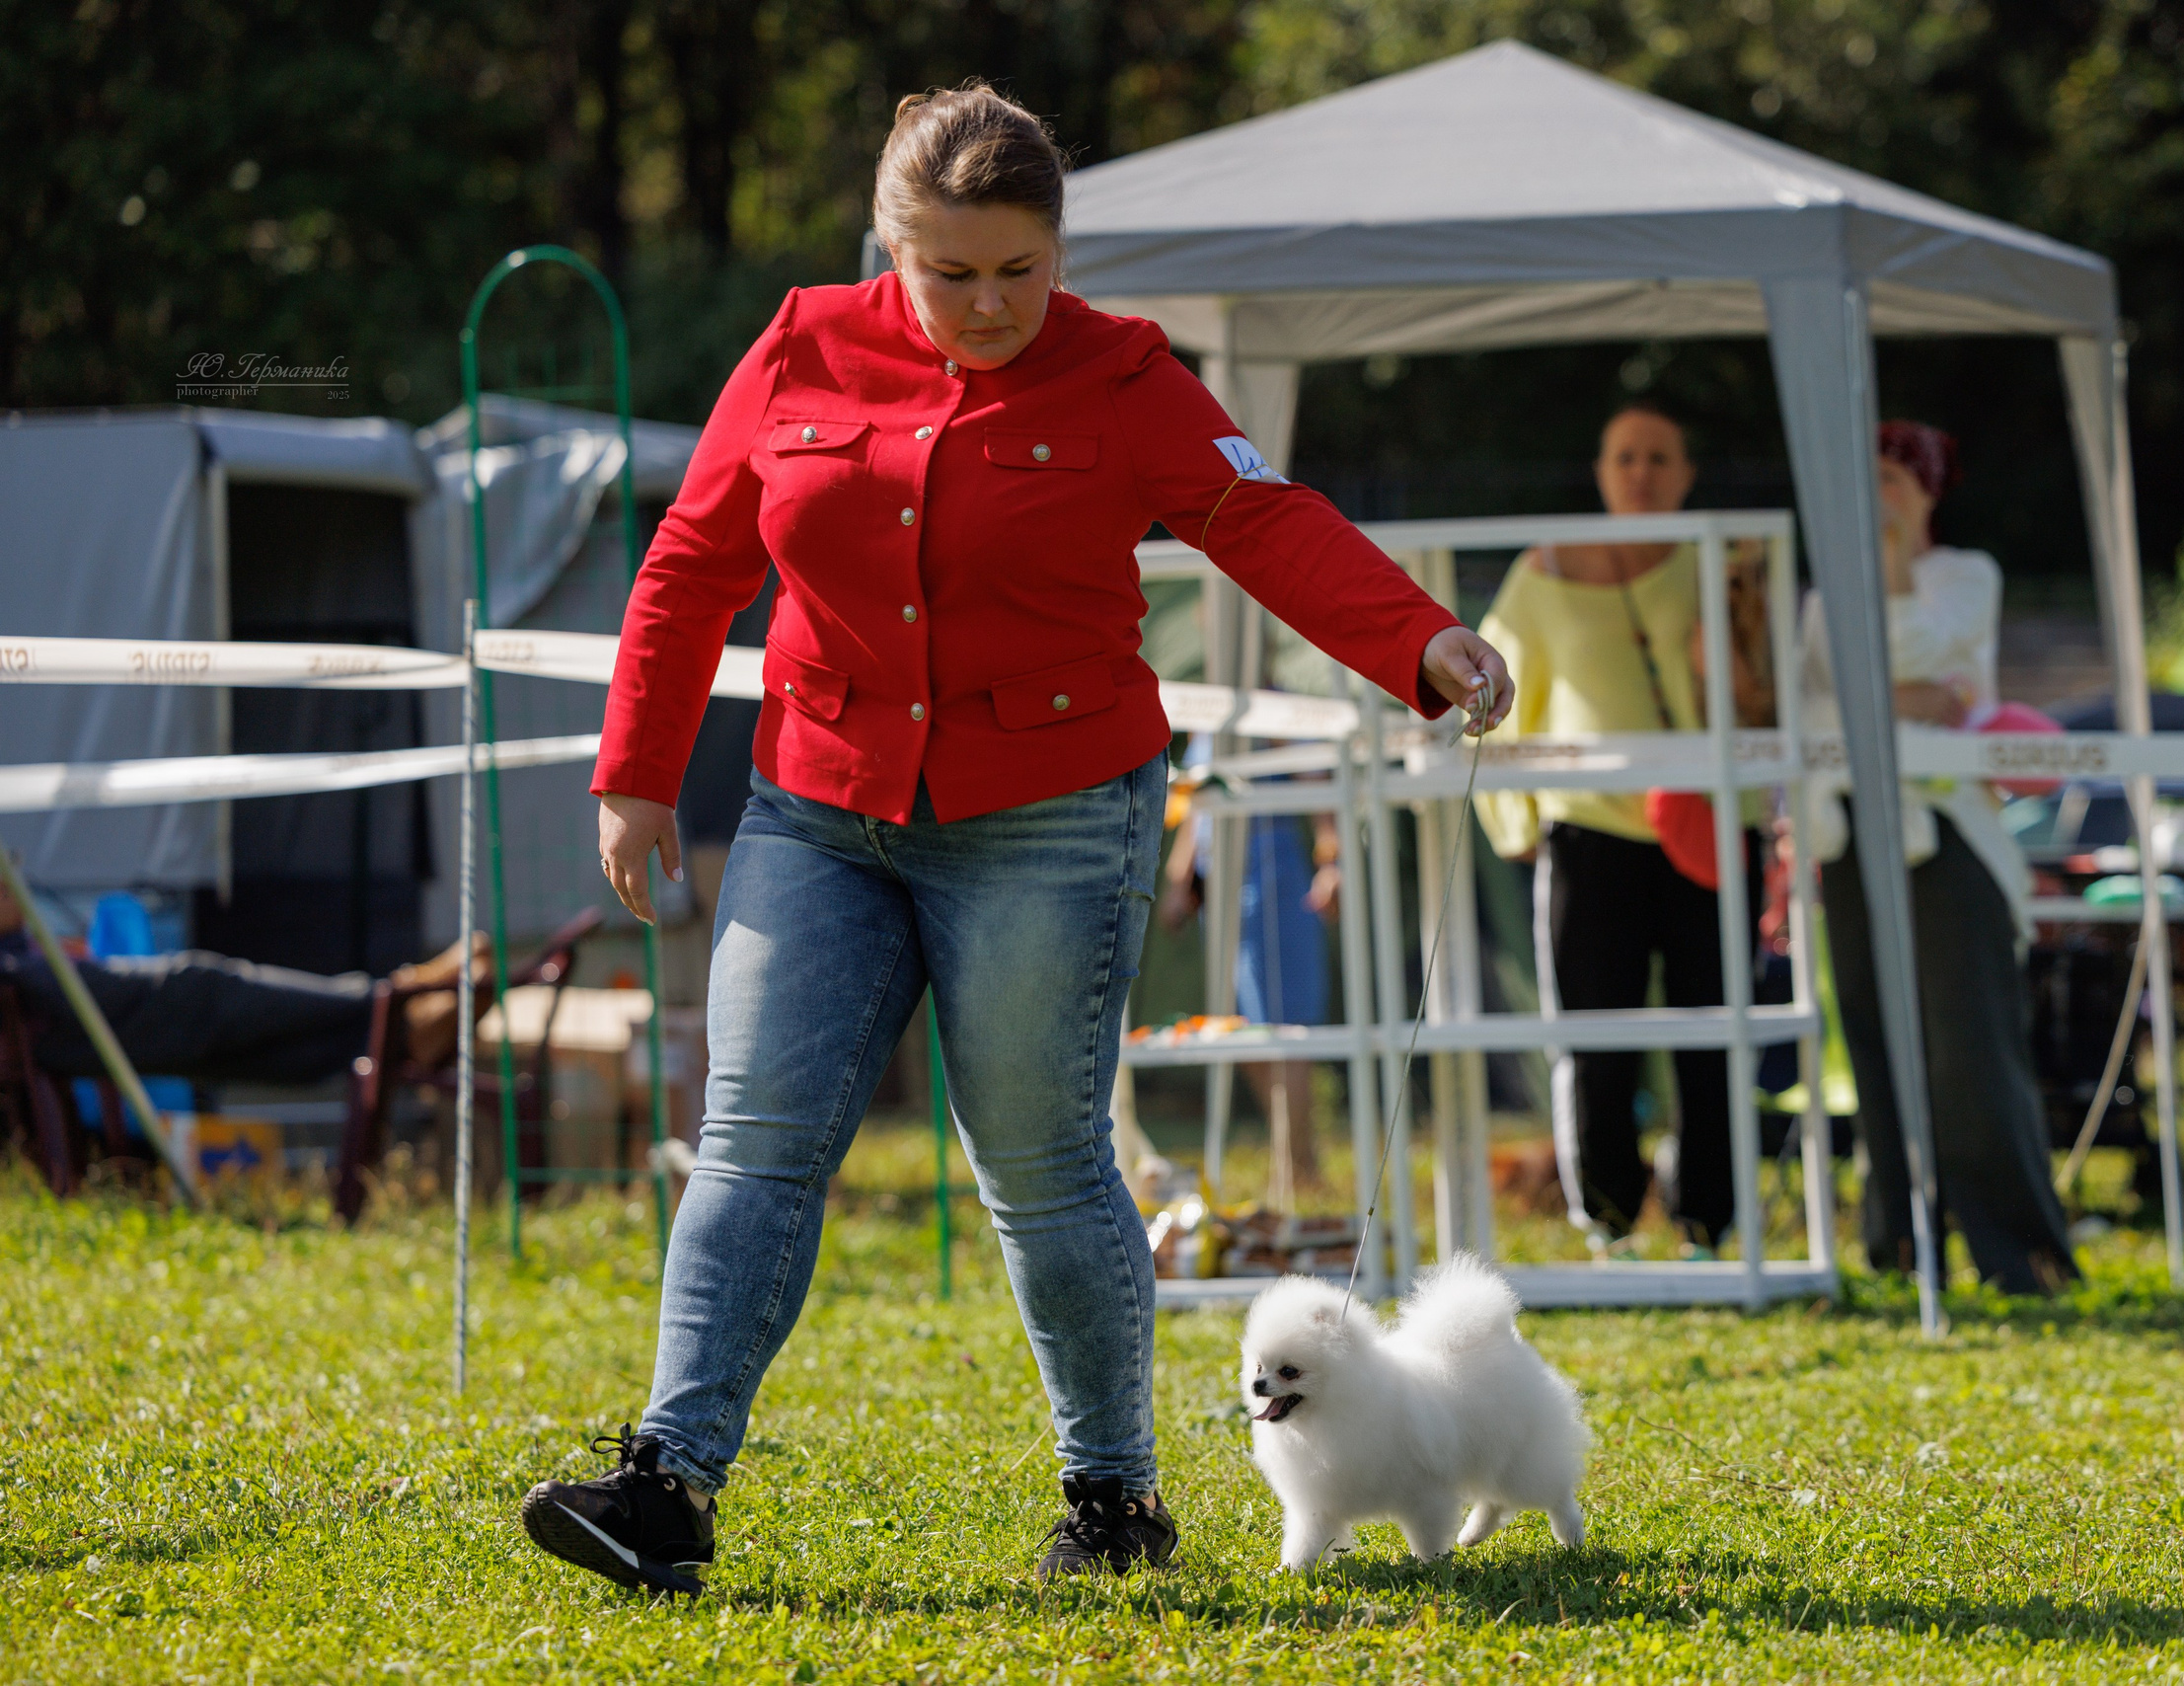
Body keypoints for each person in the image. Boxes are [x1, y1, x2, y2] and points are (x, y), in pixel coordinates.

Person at [519, 83, 1511, 1593]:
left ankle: (1112, 1500)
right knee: (753, 1139)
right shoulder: (797, 344)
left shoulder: (1122, 376)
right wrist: (636, 768)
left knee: (1041, 1165)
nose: (989, 306)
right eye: (950, 273)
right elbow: (690, 560)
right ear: (888, 247)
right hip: (819, 801)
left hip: (1051, 813)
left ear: (1060, 252)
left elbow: (1265, 521)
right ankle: (668, 1485)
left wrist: (1421, 640)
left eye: (1019, 273)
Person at [1798, 421, 2078, 1295]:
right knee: (1875, 1044)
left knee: (1970, 1054)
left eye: (1895, 478)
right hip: (1850, 833)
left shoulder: (1967, 576)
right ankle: (1900, 1249)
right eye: (1867, 478)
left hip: (1949, 838)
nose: (1879, 494)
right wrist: (1897, 702)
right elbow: (1816, 715)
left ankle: (2019, 1255)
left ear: (1927, 487)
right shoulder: (1819, 602)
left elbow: (1930, 663)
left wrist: (1887, 565)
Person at [1471, 401, 1755, 1252]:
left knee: (1717, 1033)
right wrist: (1511, 821)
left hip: (1706, 832)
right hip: (1588, 837)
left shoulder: (1726, 561)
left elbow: (1765, 692)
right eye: (1625, 455)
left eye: (1659, 456)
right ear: (1600, 469)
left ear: (1686, 474)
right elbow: (1493, 695)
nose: (1641, 471)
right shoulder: (1542, 570)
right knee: (1594, 1041)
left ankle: (1710, 1219)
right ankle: (1610, 1220)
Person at [0, 865, 488, 1084]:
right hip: (44, 1013)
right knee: (199, 987)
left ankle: (396, 1032)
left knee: (241, 1044)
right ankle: (392, 999)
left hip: (54, 1001)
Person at [1157, 738, 1342, 1194]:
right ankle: (1296, 1162)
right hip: (1220, 884)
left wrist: (1332, 863)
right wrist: (1181, 881)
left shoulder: (1279, 716)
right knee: (1239, 1034)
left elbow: (1321, 797)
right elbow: (1195, 809)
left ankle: (1300, 1169)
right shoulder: (1206, 726)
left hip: (1273, 875)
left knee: (1283, 1032)